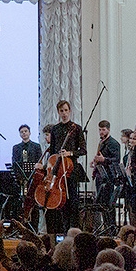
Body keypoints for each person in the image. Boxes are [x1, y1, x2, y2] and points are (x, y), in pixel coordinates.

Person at [46, 99, 86, 232]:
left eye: (66, 110)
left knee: (73, 202)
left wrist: (70, 153)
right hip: (58, 170)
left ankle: (73, 230)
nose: (64, 113)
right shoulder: (55, 129)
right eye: (61, 111)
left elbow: (83, 150)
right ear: (58, 112)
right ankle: (63, 231)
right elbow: (52, 151)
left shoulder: (76, 128)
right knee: (61, 203)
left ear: (70, 111)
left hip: (71, 169)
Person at [91, 120, 121, 232]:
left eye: (103, 129)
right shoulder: (101, 142)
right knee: (101, 203)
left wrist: (104, 159)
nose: (101, 132)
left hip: (108, 177)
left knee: (108, 203)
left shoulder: (113, 143)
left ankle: (111, 227)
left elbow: (116, 159)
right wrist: (95, 162)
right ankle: (106, 227)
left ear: (108, 129)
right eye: (100, 129)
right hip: (100, 176)